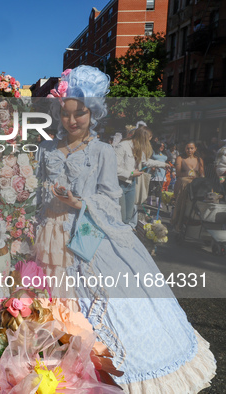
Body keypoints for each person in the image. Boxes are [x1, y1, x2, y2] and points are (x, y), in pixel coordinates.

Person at [35, 66, 215, 392]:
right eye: (66, 114)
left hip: (88, 236)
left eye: (81, 113)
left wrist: (80, 204)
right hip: (49, 236)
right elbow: (39, 195)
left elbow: (110, 201)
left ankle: (102, 369)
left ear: (93, 112)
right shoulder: (46, 149)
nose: (73, 120)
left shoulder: (103, 151)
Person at [114, 126, 166, 225]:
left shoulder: (138, 147)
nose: (149, 143)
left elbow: (146, 161)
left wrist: (163, 165)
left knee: (128, 218)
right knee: (121, 217)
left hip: (131, 184)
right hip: (120, 185)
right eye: (148, 139)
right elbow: (113, 168)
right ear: (143, 138)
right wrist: (132, 173)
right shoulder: (123, 146)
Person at [171, 141, 205, 231]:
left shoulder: (199, 159)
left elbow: (202, 174)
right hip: (183, 183)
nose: (189, 150)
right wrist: (189, 177)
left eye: (191, 148)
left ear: (195, 149)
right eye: (187, 148)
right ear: (185, 149)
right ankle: (177, 222)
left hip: (195, 184)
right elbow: (178, 173)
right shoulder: (180, 158)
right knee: (184, 184)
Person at [149, 141, 168, 208]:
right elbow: (148, 160)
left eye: (163, 146)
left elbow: (167, 162)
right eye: (160, 146)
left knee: (159, 187)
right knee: (151, 187)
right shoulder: (153, 152)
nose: (162, 147)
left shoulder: (164, 154)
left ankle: (158, 202)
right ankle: (149, 198)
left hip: (162, 172)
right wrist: (152, 166)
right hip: (153, 171)